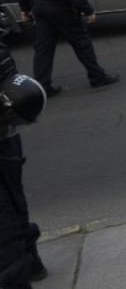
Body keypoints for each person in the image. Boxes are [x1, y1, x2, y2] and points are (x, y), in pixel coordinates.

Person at [0, 46, 48, 289]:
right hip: (7, 137)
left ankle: (25, 269)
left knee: (7, 226)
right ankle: (30, 264)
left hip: (6, 137)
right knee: (13, 214)